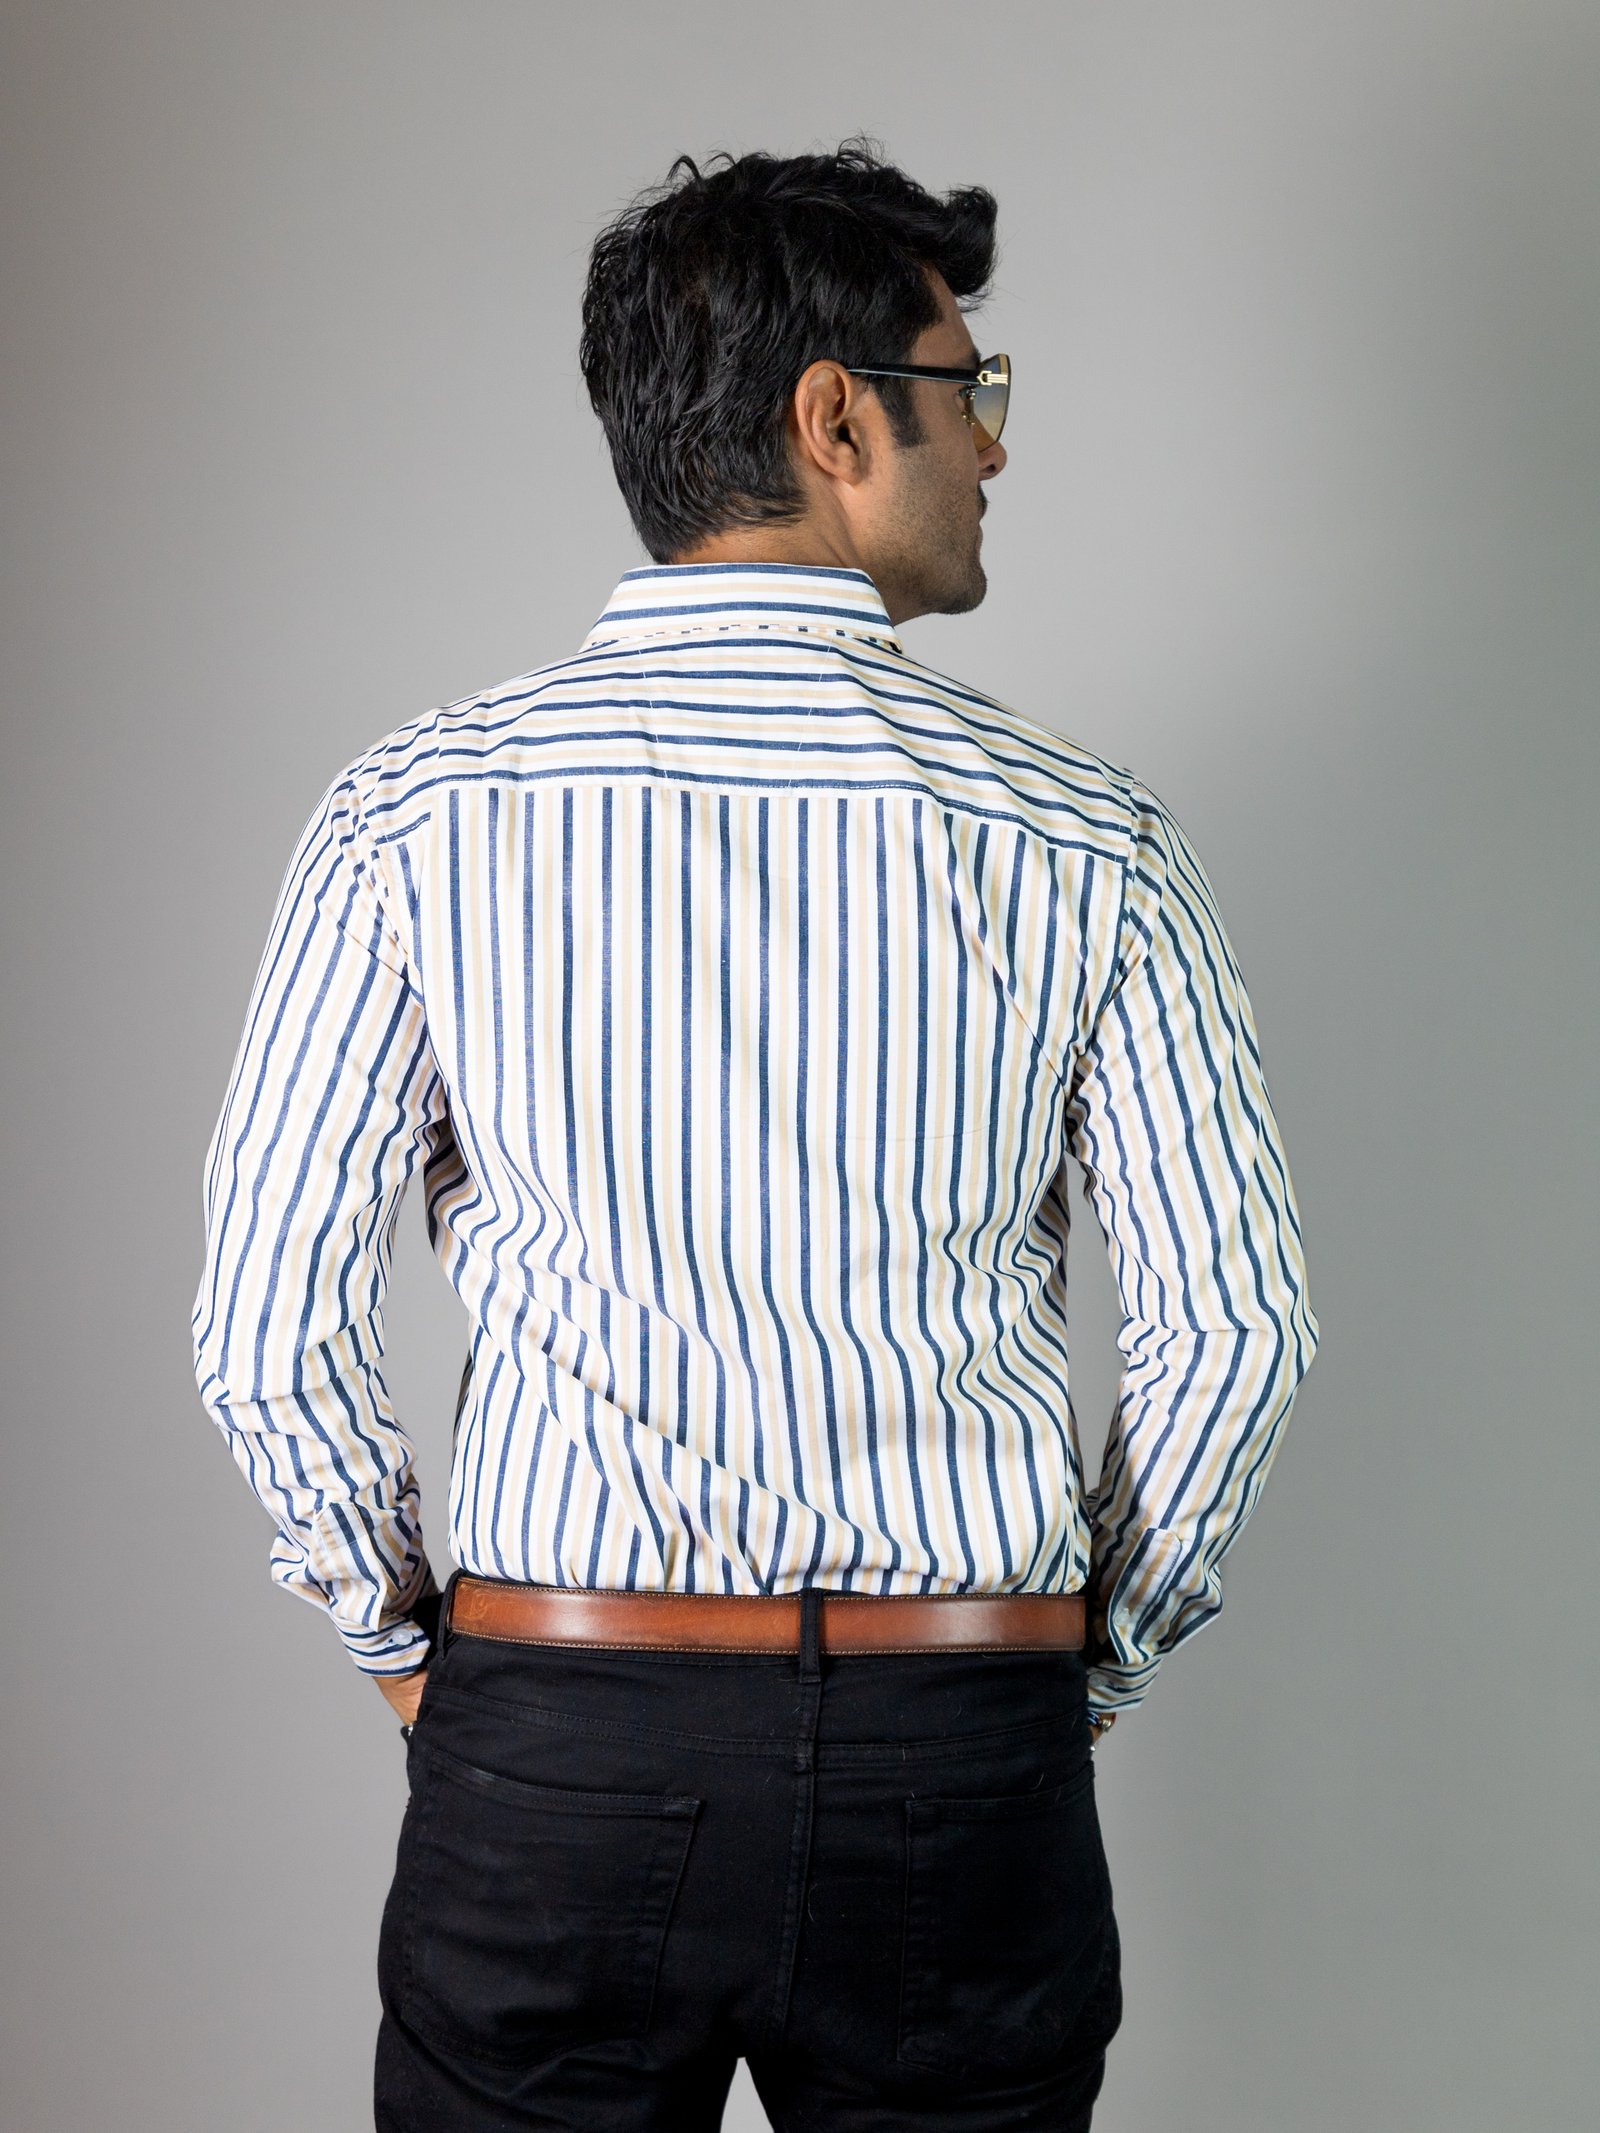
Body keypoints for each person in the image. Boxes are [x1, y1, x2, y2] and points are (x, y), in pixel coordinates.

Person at [191, 140, 1320, 2132]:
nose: (996, 444)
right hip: (958, 1740)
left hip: (557, 1735)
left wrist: (410, 1654)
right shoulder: (1088, 840)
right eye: (967, 388)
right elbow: (1236, 1334)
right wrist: (1076, 1672)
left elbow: (269, 1327)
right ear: (833, 420)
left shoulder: (416, 810)